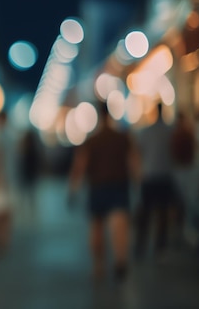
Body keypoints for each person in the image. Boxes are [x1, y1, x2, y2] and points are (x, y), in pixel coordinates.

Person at [68, 103, 139, 282]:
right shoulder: (122, 138)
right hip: (119, 185)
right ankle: (120, 260)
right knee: (120, 224)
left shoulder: (92, 140)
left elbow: (80, 166)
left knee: (97, 227)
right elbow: (134, 162)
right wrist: (138, 183)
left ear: (99, 116)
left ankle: (98, 266)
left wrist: (73, 189)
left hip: (97, 186)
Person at [134, 102, 181, 260]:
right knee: (162, 212)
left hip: (149, 176)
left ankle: (141, 245)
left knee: (145, 213)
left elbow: (139, 152)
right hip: (165, 175)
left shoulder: (145, 131)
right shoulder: (170, 131)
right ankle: (160, 245)